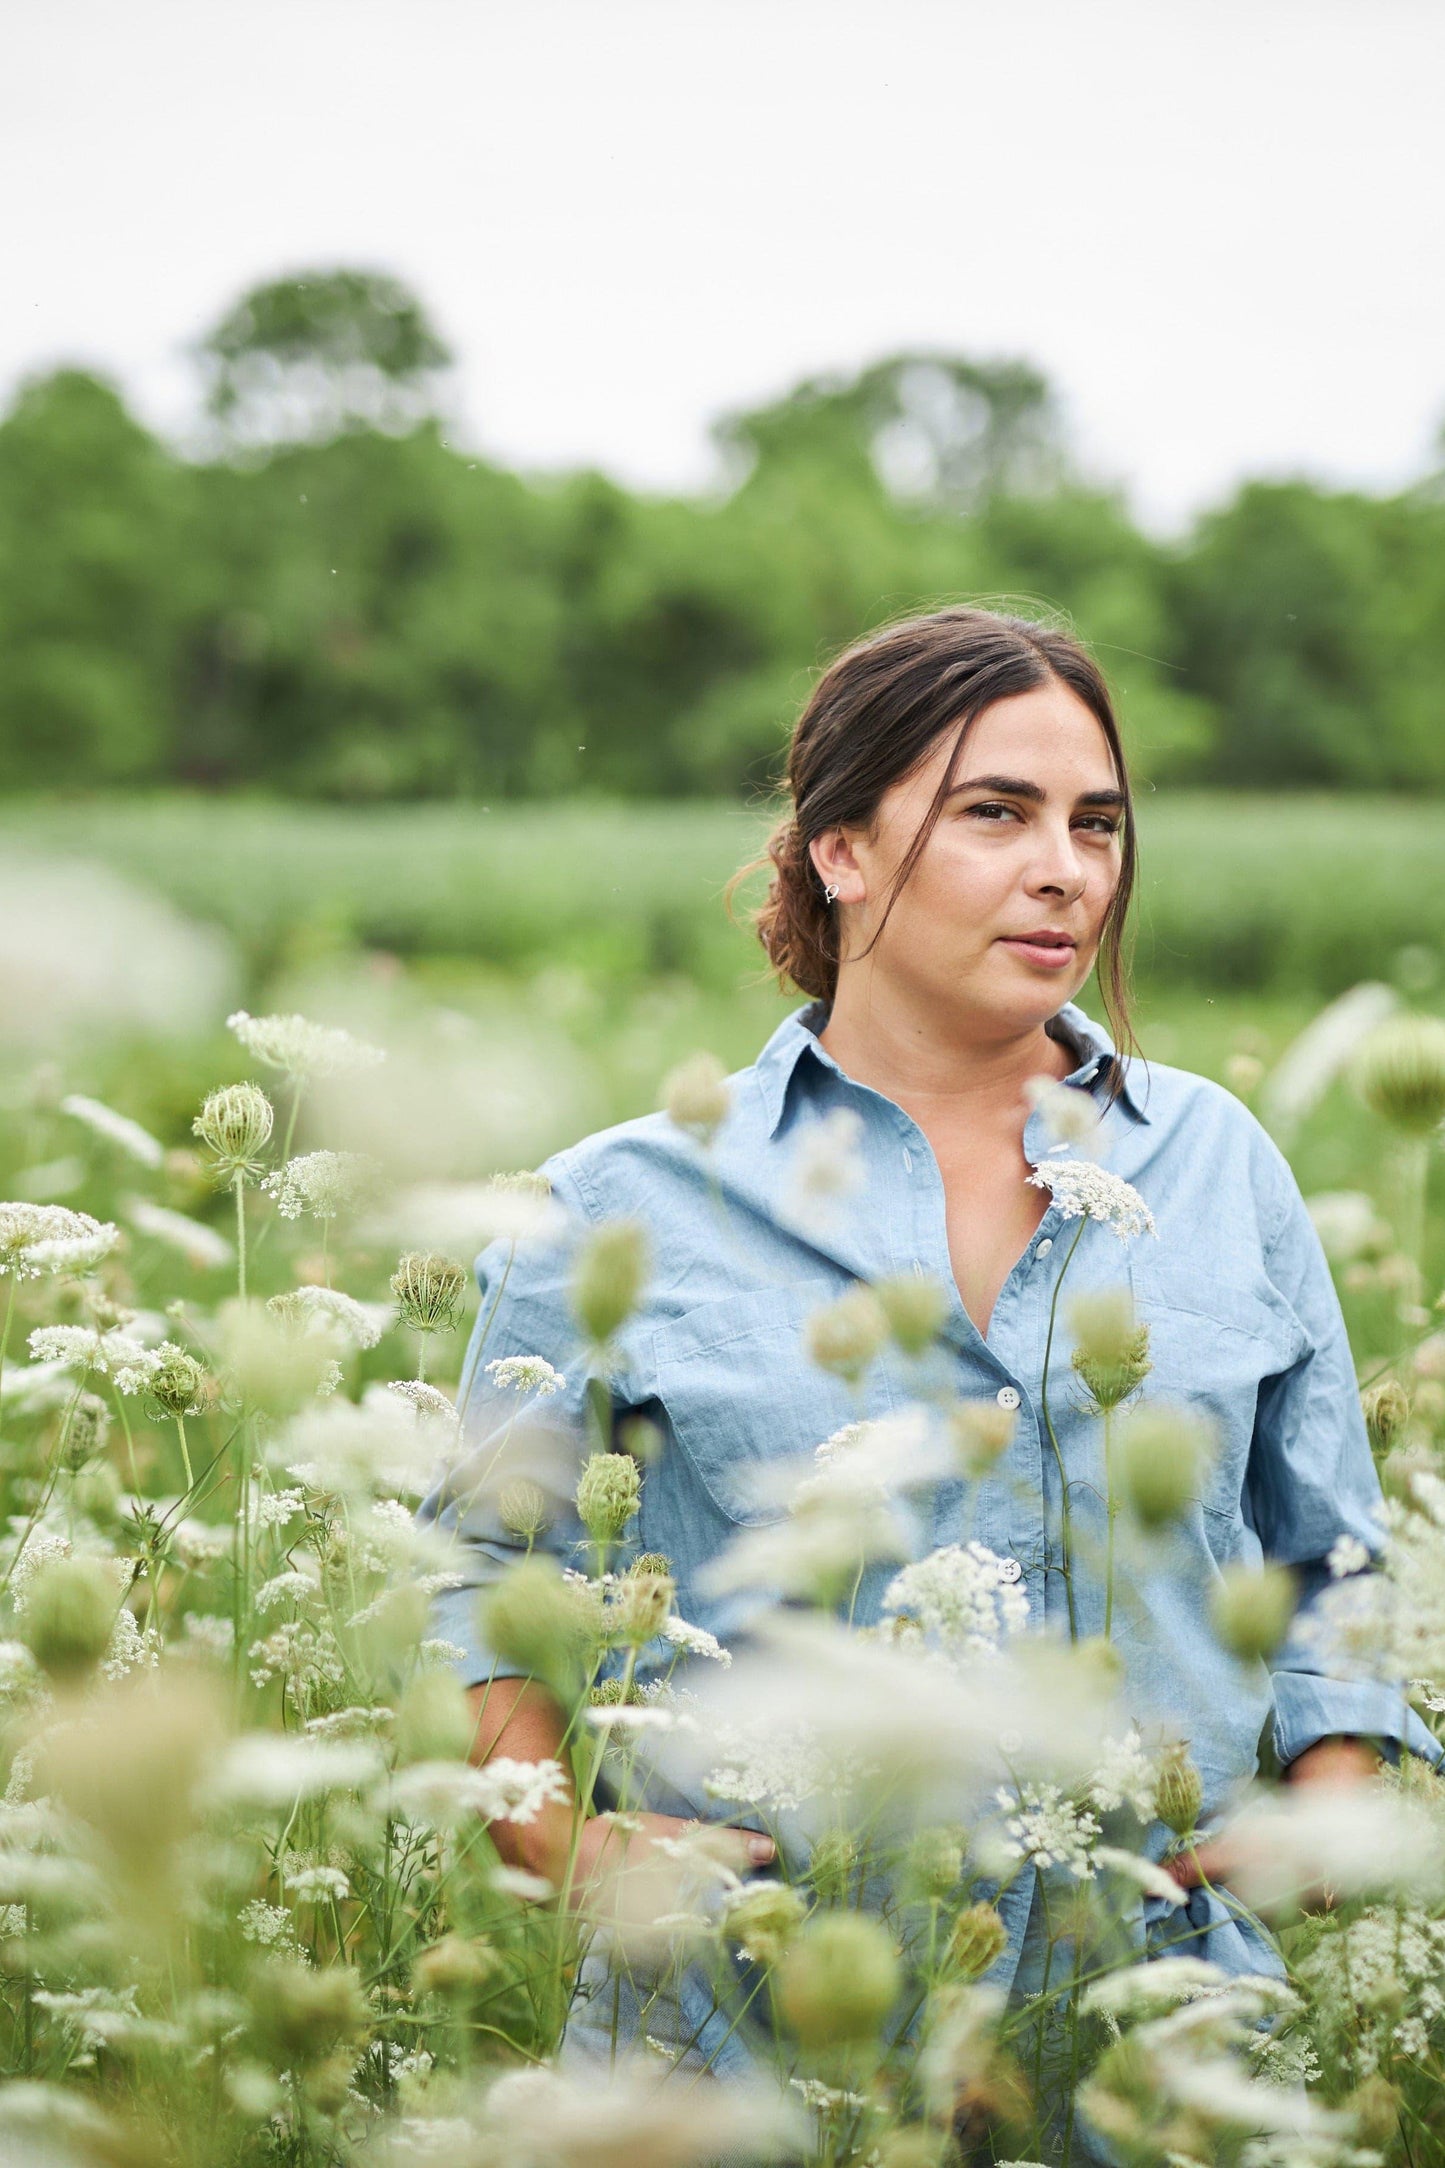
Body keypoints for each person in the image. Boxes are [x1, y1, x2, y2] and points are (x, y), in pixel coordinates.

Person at [418, 605, 1440, 2150]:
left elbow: (1331, 1551)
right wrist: (563, 1849)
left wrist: (1330, 1790)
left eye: (1095, 824)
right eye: (994, 813)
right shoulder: (623, 1205)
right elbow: (471, 1574)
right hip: (740, 2042)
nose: (1066, 869)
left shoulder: (1215, 1159)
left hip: (1150, 2037)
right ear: (838, 849)